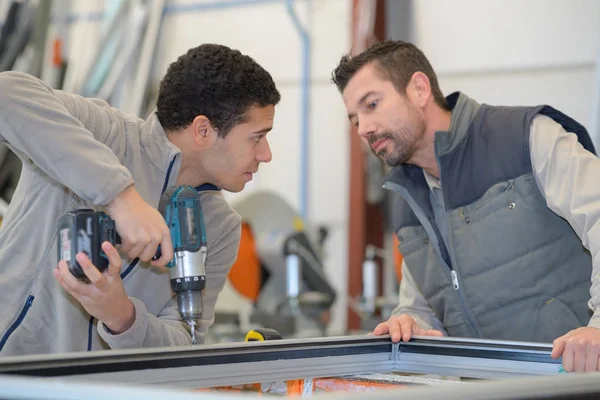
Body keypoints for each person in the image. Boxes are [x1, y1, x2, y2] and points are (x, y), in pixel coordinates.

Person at [332, 40, 600, 373]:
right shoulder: (406, 198)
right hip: (486, 388)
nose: (363, 129)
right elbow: (422, 307)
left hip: (574, 379)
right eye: (354, 119)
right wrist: (410, 323)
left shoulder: (525, 138)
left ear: (418, 89)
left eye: (371, 104)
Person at [0, 43, 280, 355]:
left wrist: (123, 317)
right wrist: (121, 197)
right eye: (256, 137)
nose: (266, 154)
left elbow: (186, 341)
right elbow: (6, 93)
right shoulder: (103, 134)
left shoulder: (222, 226)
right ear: (203, 130)